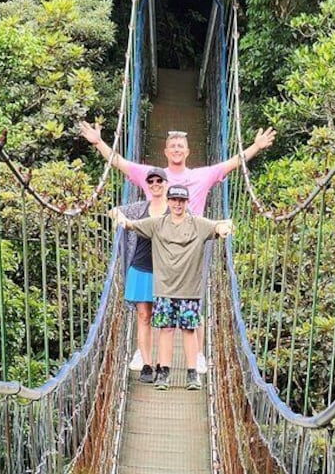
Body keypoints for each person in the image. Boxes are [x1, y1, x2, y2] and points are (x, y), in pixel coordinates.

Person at [80, 122, 275, 372]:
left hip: (192, 248)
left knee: (195, 299)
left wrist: (255, 147)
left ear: (188, 151)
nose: (176, 149)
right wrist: (98, 143)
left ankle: (199, 356)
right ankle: (146, 355)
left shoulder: (201, 176)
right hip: (157, 247)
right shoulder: (153, 174)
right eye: (172, 145)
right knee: (152, 306)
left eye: (180, 146)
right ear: (165, 150)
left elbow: (232, 163)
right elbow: (119, 163)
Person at [111, 185, 233, 391]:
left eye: (182, 200)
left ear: (187, 203)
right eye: (174, 200)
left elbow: (220, 225)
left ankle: (192, 373)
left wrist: (225, 228)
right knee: (166, 330)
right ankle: (164, 372)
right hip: (164, 290)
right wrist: (119, 217)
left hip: (189, 290)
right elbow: (131, 225)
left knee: (188, 330)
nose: (178, 204)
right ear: (168, 201)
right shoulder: (157, 223)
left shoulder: (198, 224)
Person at [110, 167, 168, 384]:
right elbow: (114, 210)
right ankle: (146, 364)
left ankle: (163, 364)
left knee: (163, 320)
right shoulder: (140, 208)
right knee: (144, 316)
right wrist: (123, 220)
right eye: (151, 181)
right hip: (140, 267)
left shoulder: (174, 209)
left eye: (159, 181)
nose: (155, 184)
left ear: (166, 184)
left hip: (165, 273)